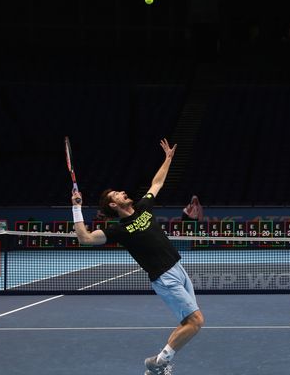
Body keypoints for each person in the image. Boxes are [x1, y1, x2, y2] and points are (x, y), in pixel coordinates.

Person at [71, 139, 204, 375]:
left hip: (178, 269)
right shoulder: (118, 229)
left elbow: (157, 183)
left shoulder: (143, 207)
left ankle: (157, 367)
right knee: (196, 322)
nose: (123, 192)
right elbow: (86, 238)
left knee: (188, 323)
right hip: (165, 278)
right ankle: (157, 362)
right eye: (118, 194)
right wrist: (76, 207)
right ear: (114, 204)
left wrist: (168, 159)